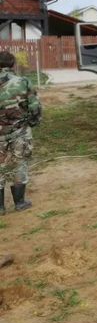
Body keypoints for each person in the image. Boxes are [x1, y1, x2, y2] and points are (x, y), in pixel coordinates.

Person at [0, 51, 41, 214]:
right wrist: (33, 122)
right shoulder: (23, 81)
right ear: (12, 64)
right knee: (20, 163)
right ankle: (20, 203)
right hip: (20, 130)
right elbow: (34, 106)